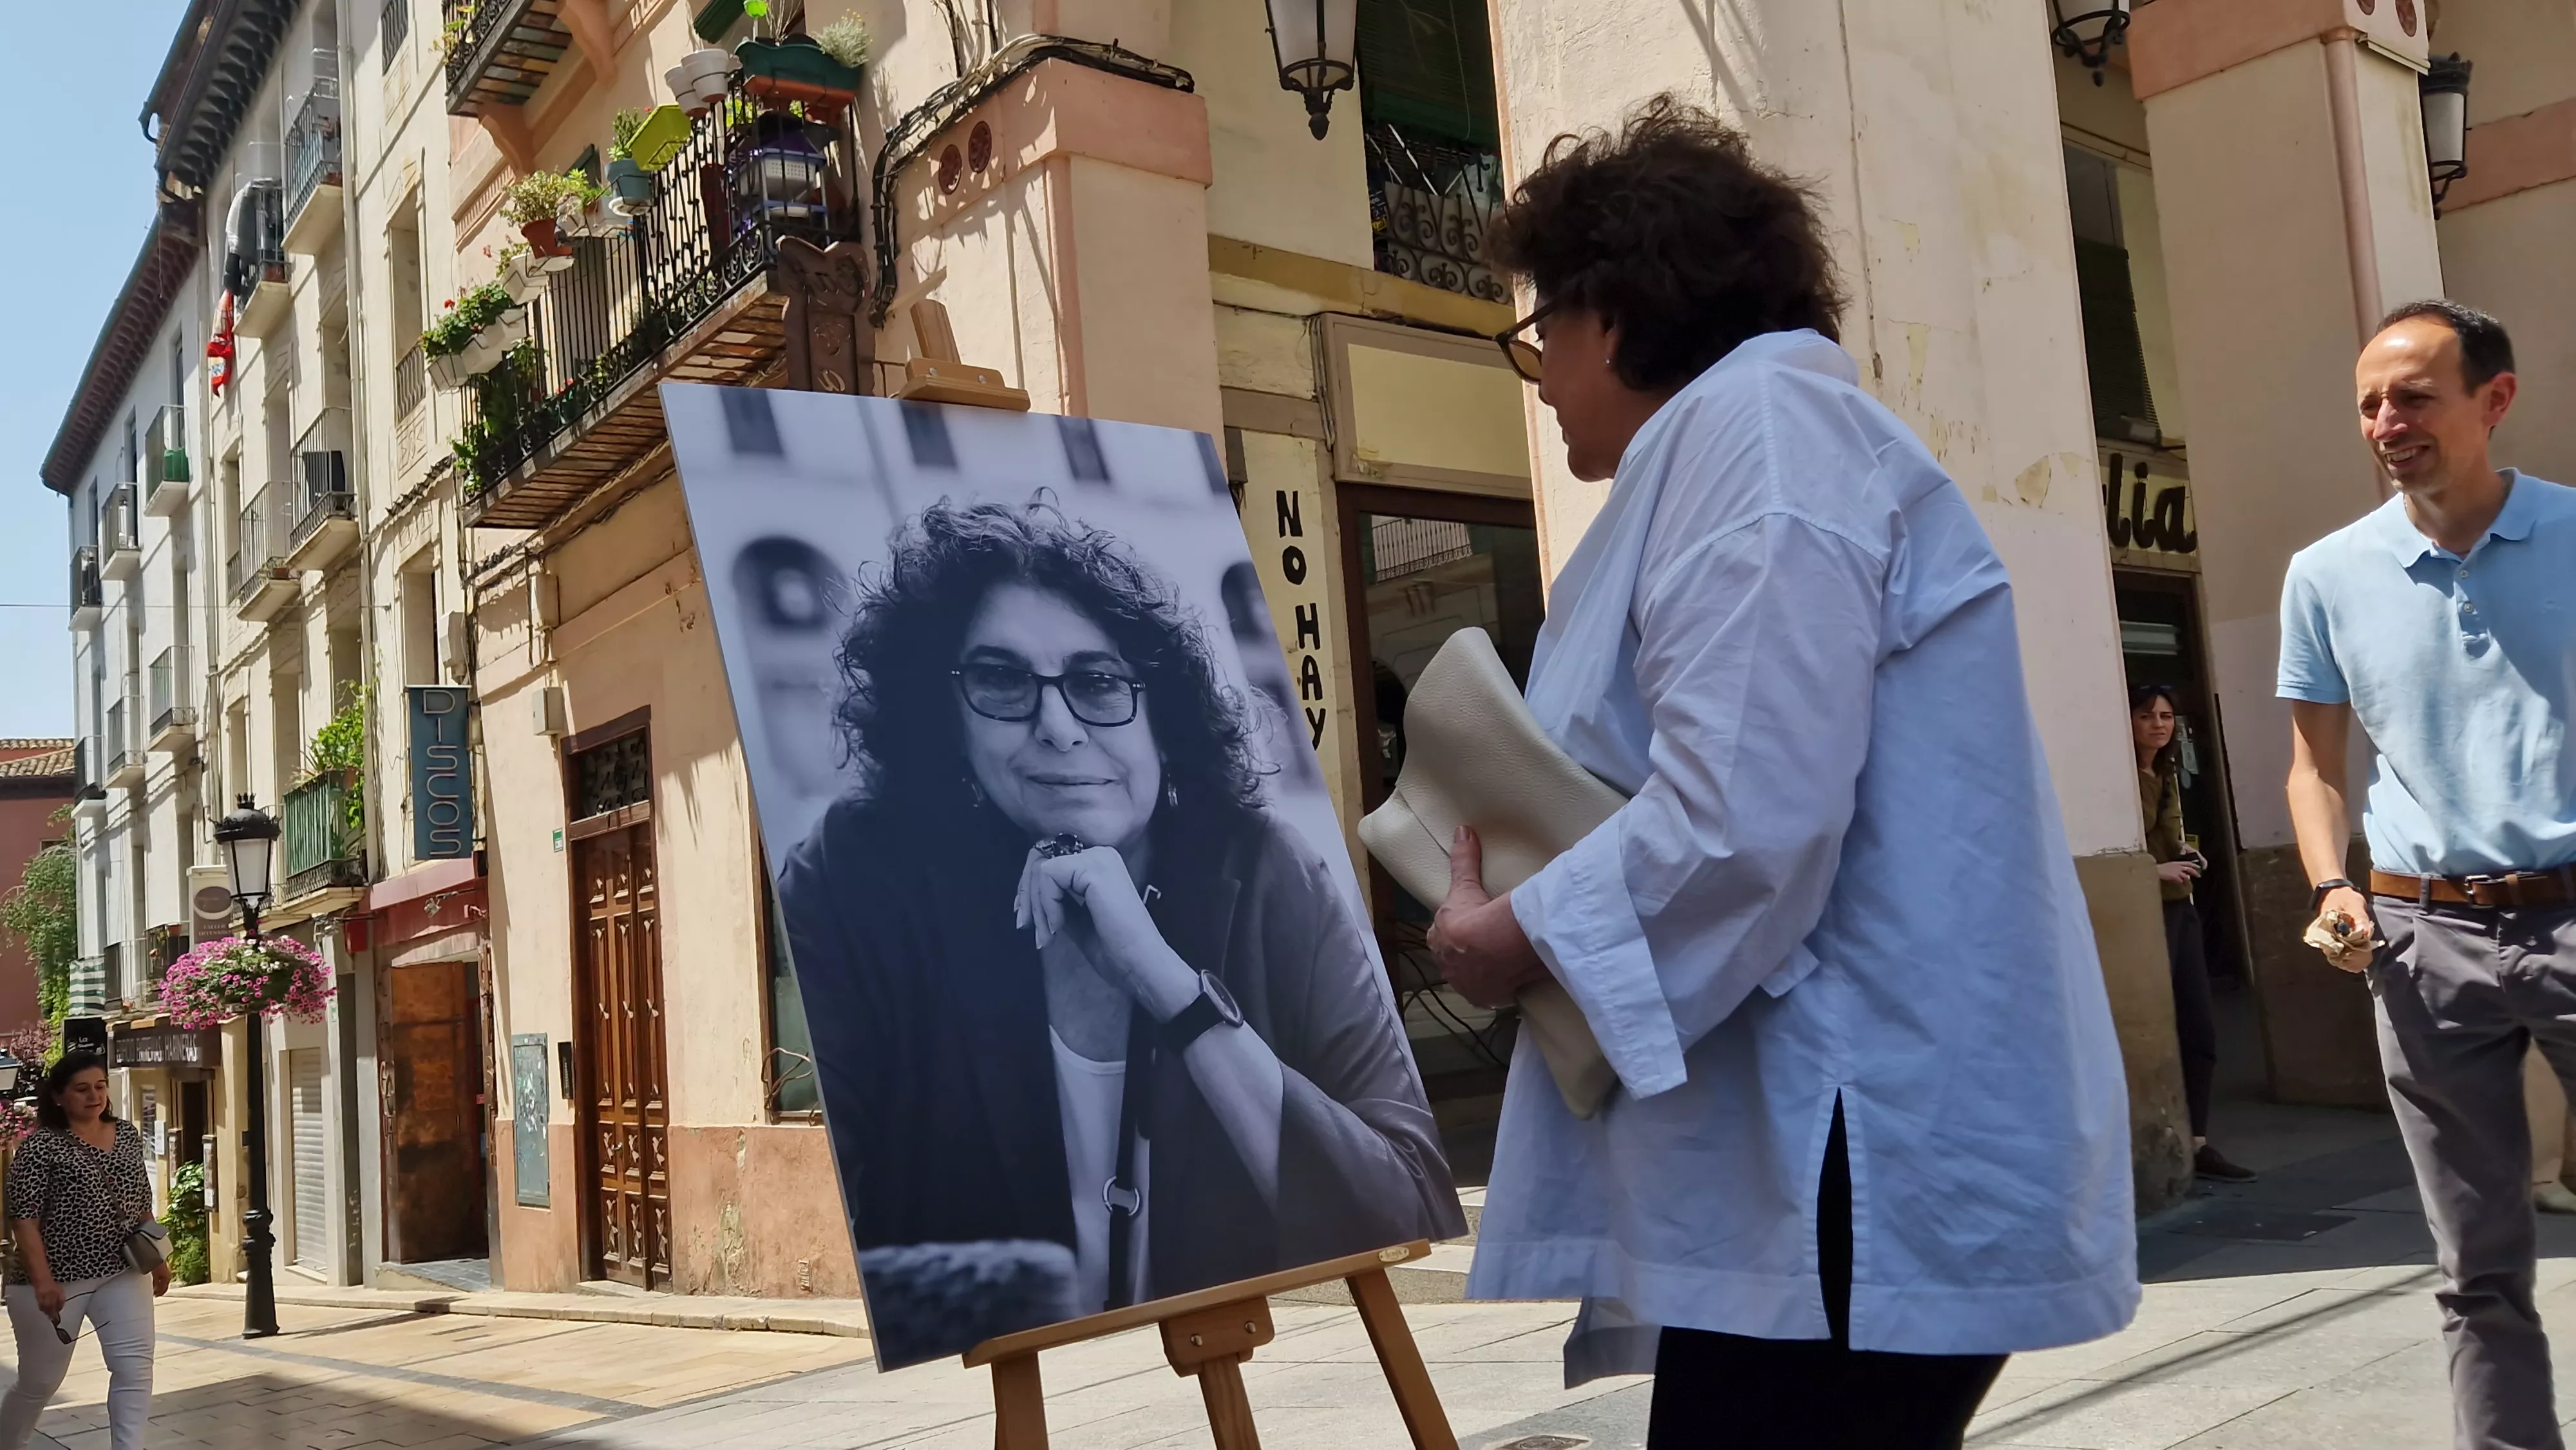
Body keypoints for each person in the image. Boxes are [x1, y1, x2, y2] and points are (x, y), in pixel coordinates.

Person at [1425, 97, 2138, 1449]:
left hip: (1847, 1138)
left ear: (1611, 315)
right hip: (1825, 1143)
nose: (1541, 377)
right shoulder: (1754, 439)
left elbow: (1741, 814)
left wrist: (1516, 934)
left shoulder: (1753, 435)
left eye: (1539, 336)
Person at [781, 499, 1463, 1339]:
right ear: (948, 723)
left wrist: (1167, 983)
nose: (1058, 728)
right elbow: (889, 1218)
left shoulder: (1268, 873)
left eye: (1099, 682)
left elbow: (1404, 1203)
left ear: (1164, 721)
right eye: (1001, 681)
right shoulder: (855, 878)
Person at [2278, 298, 2576, 1450]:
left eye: (2413, 396)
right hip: (2421, 937)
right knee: (2475, 1264)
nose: (2385, 422)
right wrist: (2331, 885)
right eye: (2369, 403)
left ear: (2495, 400)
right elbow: (2313, 766)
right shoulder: (2326, 574)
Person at [3, 1050, 166, 1450]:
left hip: (123, 1271)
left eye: (100, 1086)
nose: (94, 1096)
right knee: (40, 1381)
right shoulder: (39, 1148)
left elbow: (139, 1201)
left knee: (134, 1368)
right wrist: (43, 1282)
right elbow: (24, 1220)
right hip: (56, 1281)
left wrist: (158, 1257)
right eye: (82, 1089)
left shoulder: (126, 1134)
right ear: (58, 1096)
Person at [2130, 683, 2255, 1183]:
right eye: (2146, 716)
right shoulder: (2123, 778)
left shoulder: (2164, 773)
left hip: (2180, 908)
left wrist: (2183, 854)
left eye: (2166, 717)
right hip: (2146, 911)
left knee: (2200, 1029)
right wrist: (2153, 869)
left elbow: (2164, 838)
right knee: (2150, 1029)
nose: (2158, 725)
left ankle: (2199, 1141)